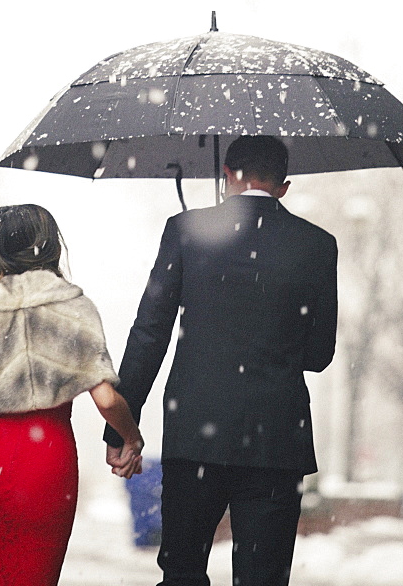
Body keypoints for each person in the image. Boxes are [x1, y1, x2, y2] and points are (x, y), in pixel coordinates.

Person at [104, 135, 338, 586]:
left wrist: (120, 427)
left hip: (195, 434)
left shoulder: (185, 230)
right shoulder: (317, 245)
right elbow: (319, 355)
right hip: (276, 440)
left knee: (183, 571)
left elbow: (150, 333)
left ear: (226, 175)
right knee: (262, 577)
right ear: (283, 187)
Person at [0, 203, 143, 586]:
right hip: (45, 467)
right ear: (51, 246)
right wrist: (131, 436)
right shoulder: (72, 306)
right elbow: (106, 399)